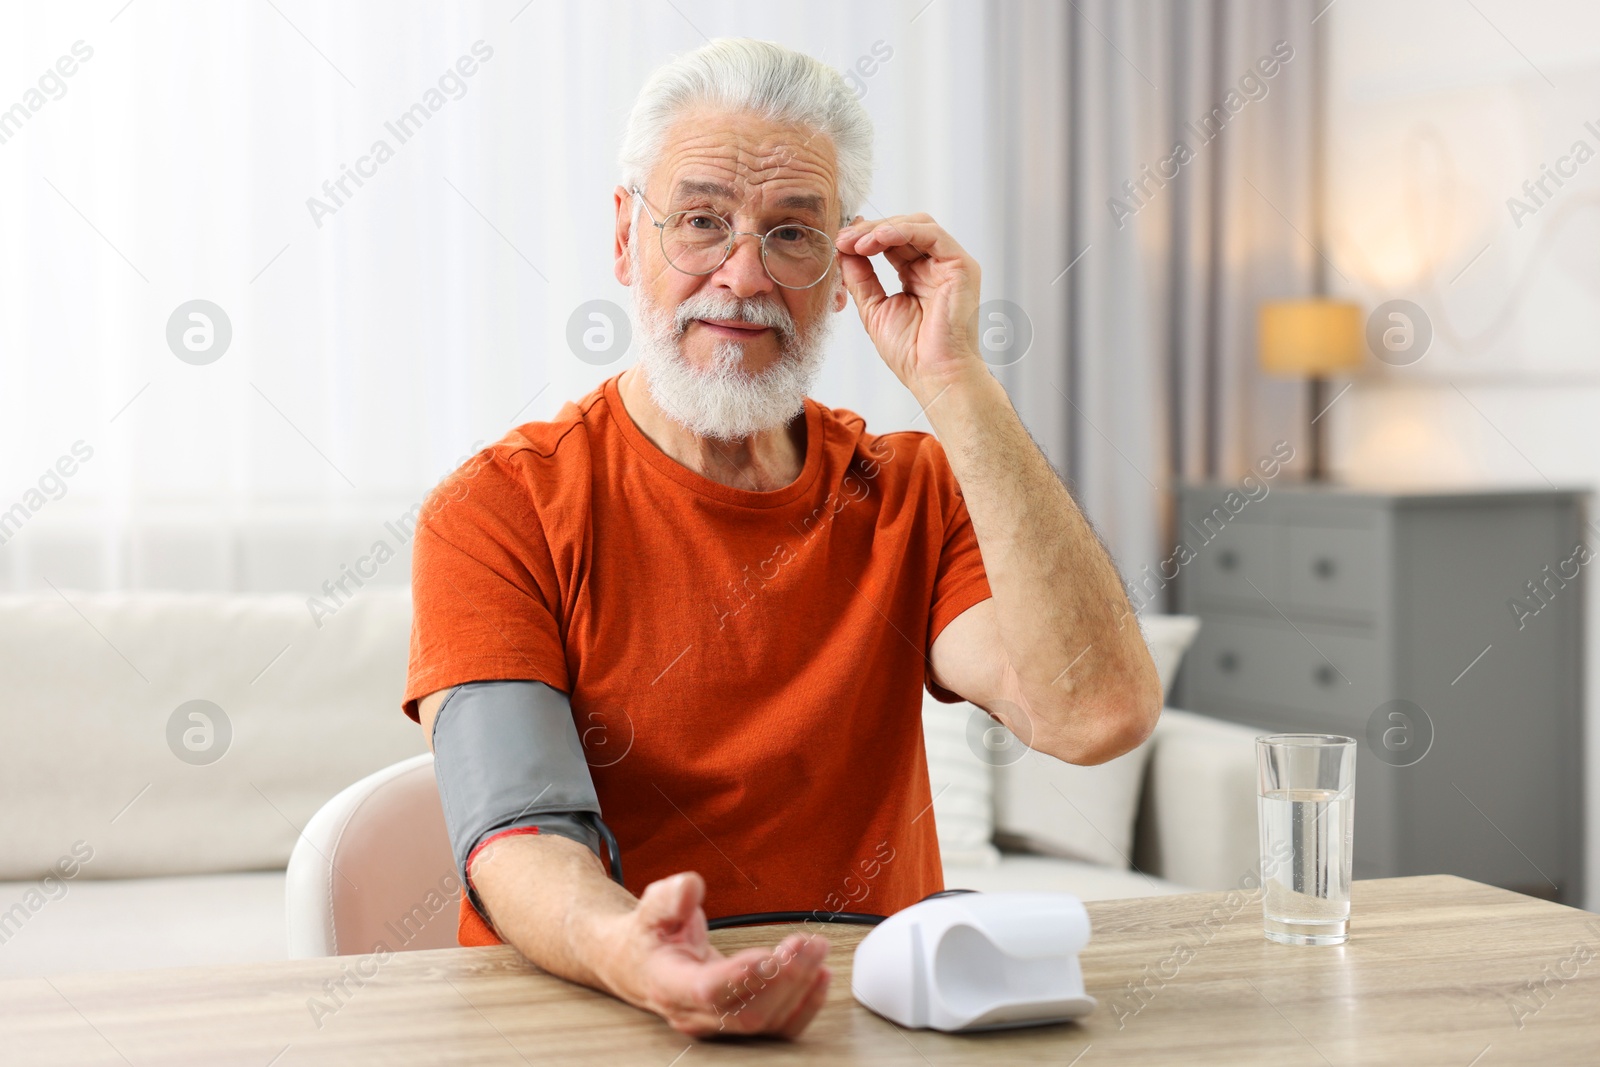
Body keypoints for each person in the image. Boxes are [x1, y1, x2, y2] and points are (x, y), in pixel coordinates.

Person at [402, 36, 1161, 1041]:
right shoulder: (497, 507)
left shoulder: (910, 492)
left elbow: (1095, 710)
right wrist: (634, 950)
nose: (743, 275)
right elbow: (516, 829)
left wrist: (956, 381)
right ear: (627, 236)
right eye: (702, 222)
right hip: (593, 1015)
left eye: (793, 234)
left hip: (867, 1017)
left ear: (846, 271)